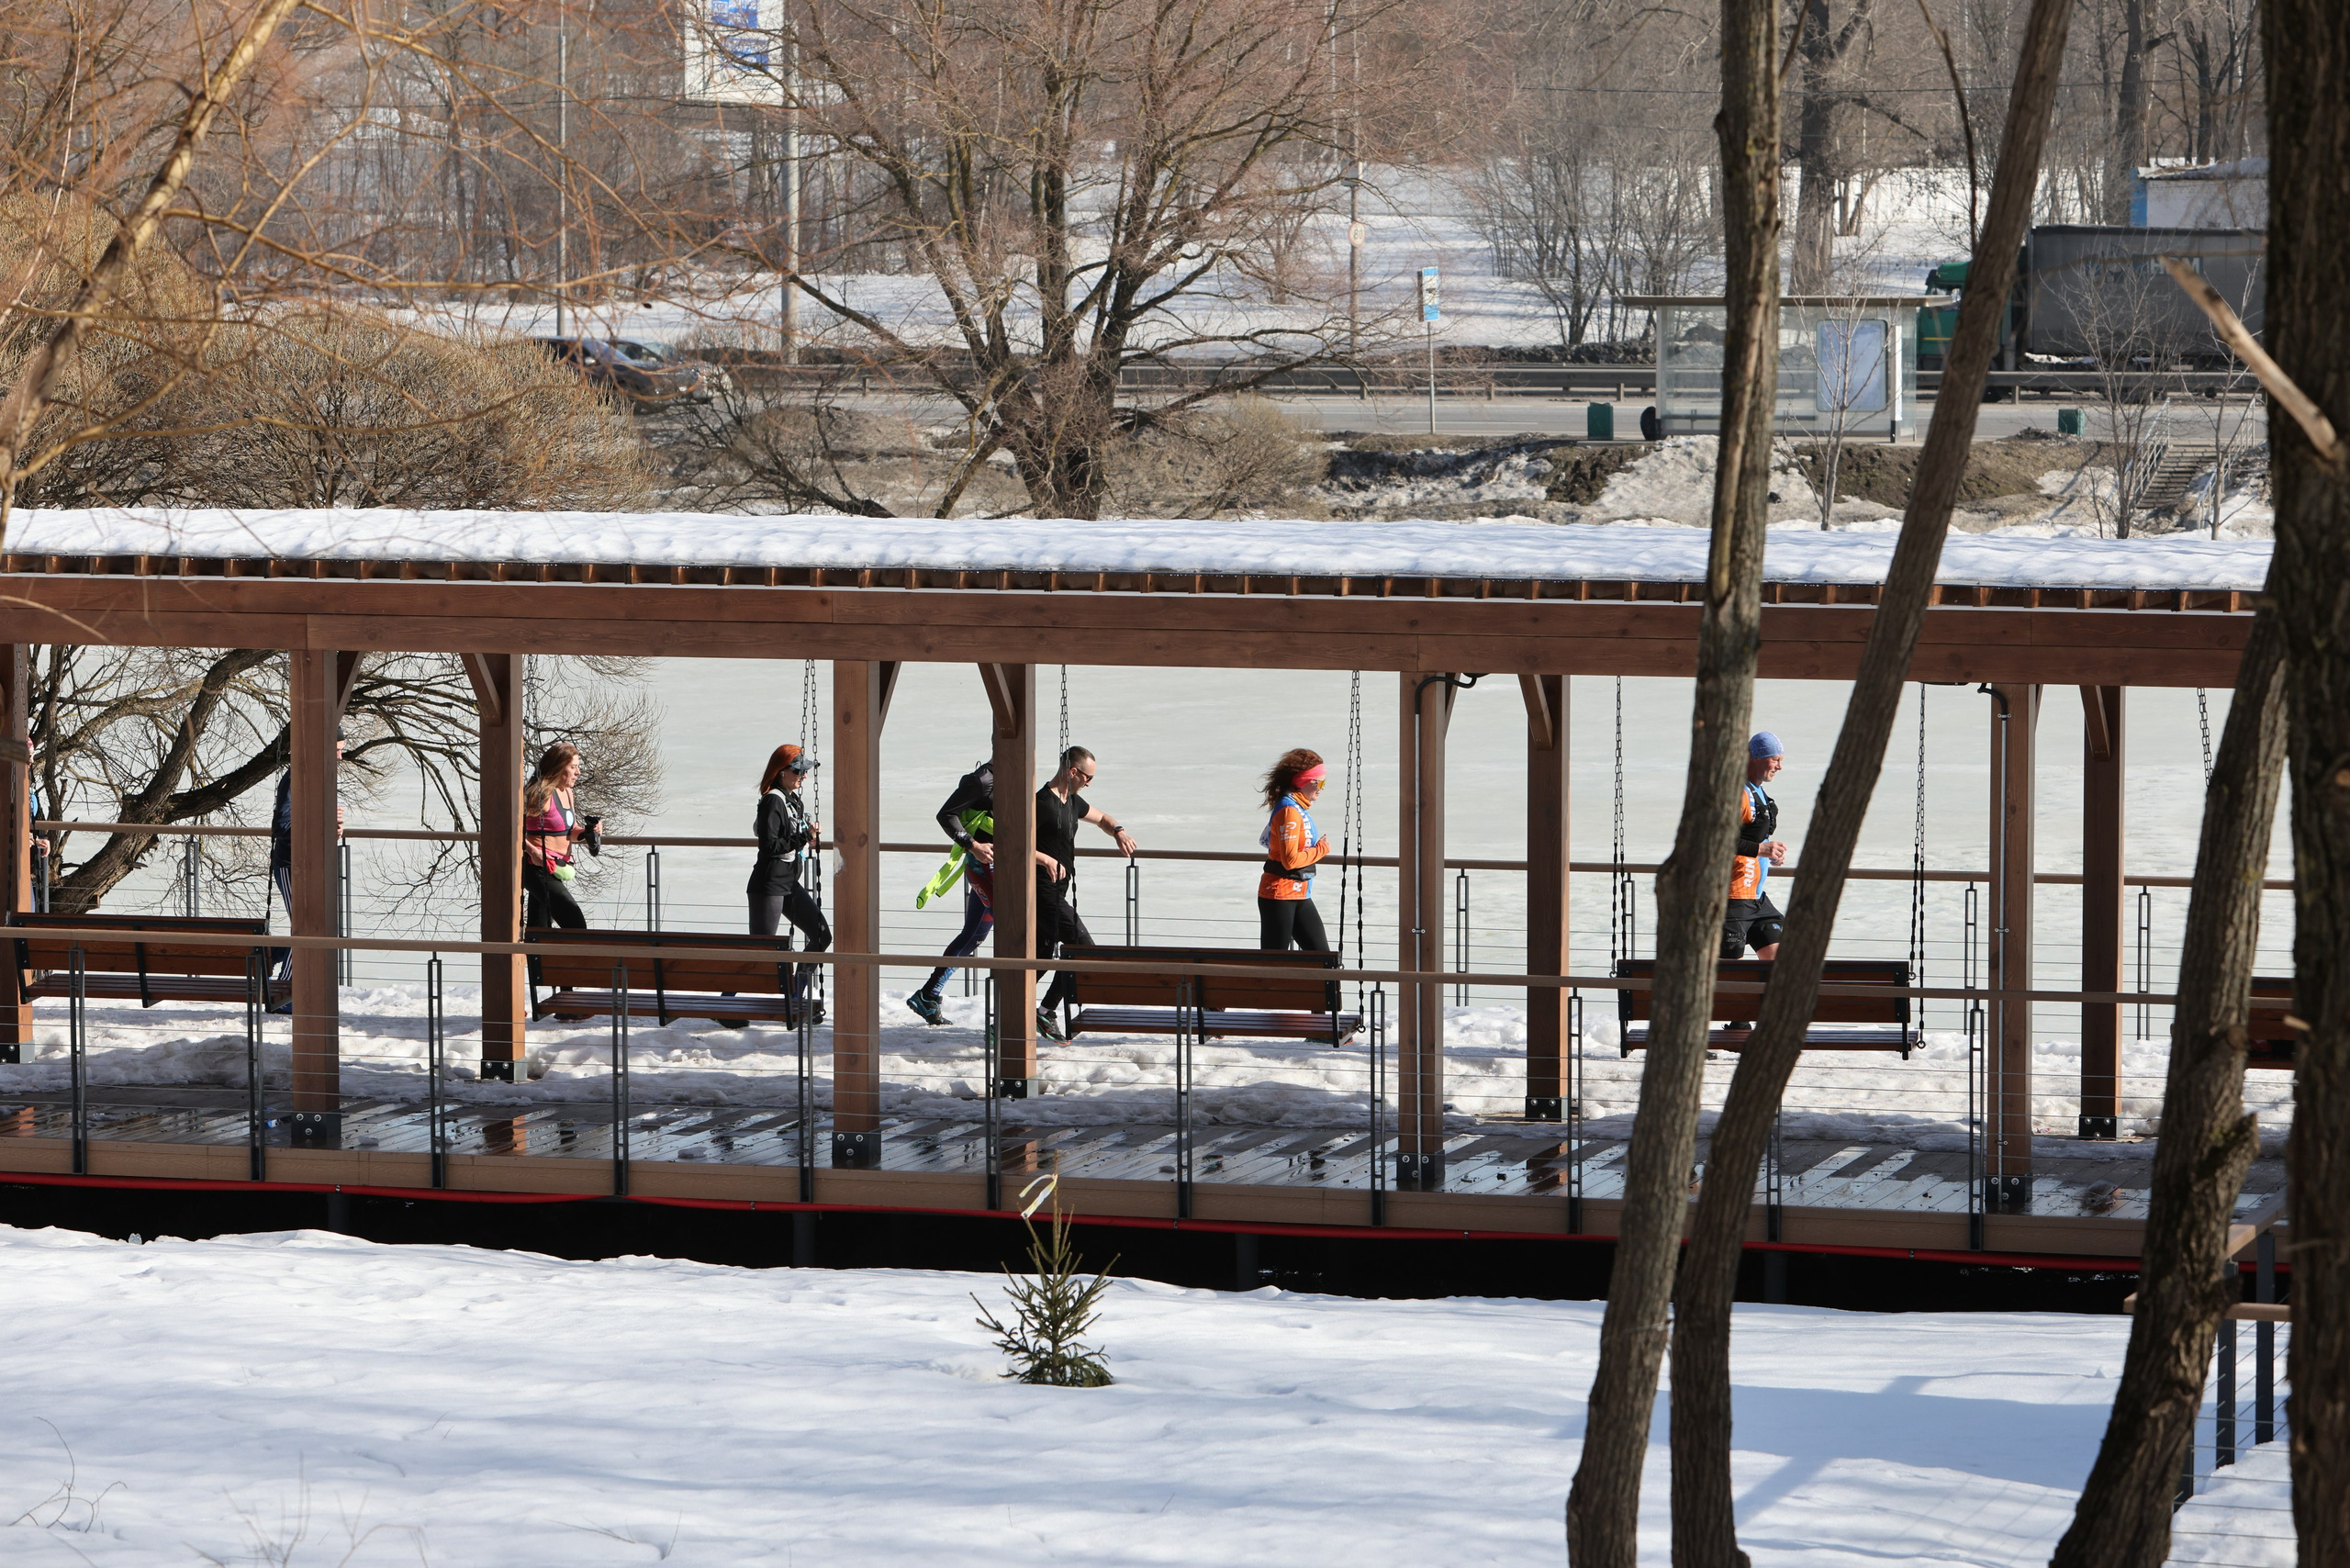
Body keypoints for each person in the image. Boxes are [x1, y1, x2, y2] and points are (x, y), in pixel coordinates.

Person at [1034, 745, 1137, 1041]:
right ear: (1072, 772)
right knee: (1083, 947)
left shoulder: (1073, 802)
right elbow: (1014, 843)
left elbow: (1103, 817)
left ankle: (1012, 1011)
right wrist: (1045, 859)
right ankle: (1044, 1011)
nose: (1089, 783)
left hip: (1059, 891)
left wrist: (1118, 831)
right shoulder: (1040, 802)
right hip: (1041, 891)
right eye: (1087, 777)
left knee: (1042, 953)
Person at [907, 758, 995, 1025]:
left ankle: (928, 995)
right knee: (1017, 932)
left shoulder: (1019, 775)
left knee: (973, 935)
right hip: (985, 869)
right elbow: (946, 815)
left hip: (1000, 869)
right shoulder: (983, 780)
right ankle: (1012, 1014)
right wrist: (973, 846)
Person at [750, 743, 830, 1023]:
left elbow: (790, 838)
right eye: (797, 771)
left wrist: (806, 837)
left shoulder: (792, 800)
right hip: (770, 884)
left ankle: (796, 997)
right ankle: (726, 1004)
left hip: (788, 882)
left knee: (821, 935)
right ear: (781, 771)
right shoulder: (773, 800)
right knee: (761, 952)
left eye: (803, 771)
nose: (802, 776)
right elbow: (770, 845)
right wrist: (804, 837)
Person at [267, 728, 347, 995]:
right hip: (292, 864)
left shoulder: (320, 777)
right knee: (306, 927)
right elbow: (282, 825)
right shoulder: (295, 778)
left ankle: (275, 952)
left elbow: (317, 824)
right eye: (337, 750)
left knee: (314, 924)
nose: (340, 756)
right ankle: (287, 991)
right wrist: (322, 825)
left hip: (312, 865)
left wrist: (333, 830)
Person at [1724, 731, 1791, 962]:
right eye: (1776, 760)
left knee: (1782, 963)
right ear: (1756, 758)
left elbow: (1752, 837)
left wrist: (1772, 852)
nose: (1780, 767)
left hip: (1757, 899)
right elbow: (1719, 840)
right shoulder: (1738, 793)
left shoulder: (1758, 791)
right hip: (1732, 899)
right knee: (1726, 979)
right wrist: (1761, 850)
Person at [1257, 747, 1333, 951]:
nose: (1322, 788)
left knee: (1323, 959)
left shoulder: (1297, 808)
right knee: (1275, 963)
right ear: (1304, 781)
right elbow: (1290, 860)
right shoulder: (1289, 810)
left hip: (1300, 893)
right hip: (1279, 894)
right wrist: (1321, 849)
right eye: (1321, 782)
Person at [522, 742, 594, 935]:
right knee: (575, 923)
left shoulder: (567, 792)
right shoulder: (540, 794)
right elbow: (511, 828)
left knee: (539, 926)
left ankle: (541, 964)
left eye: (578, 766)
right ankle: (575, 963)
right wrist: (533, 851)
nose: (578, 772)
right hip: (536, 866)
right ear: (558, 767)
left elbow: (570, 831)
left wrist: (589, 832)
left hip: (557, 865)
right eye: (573, 767)